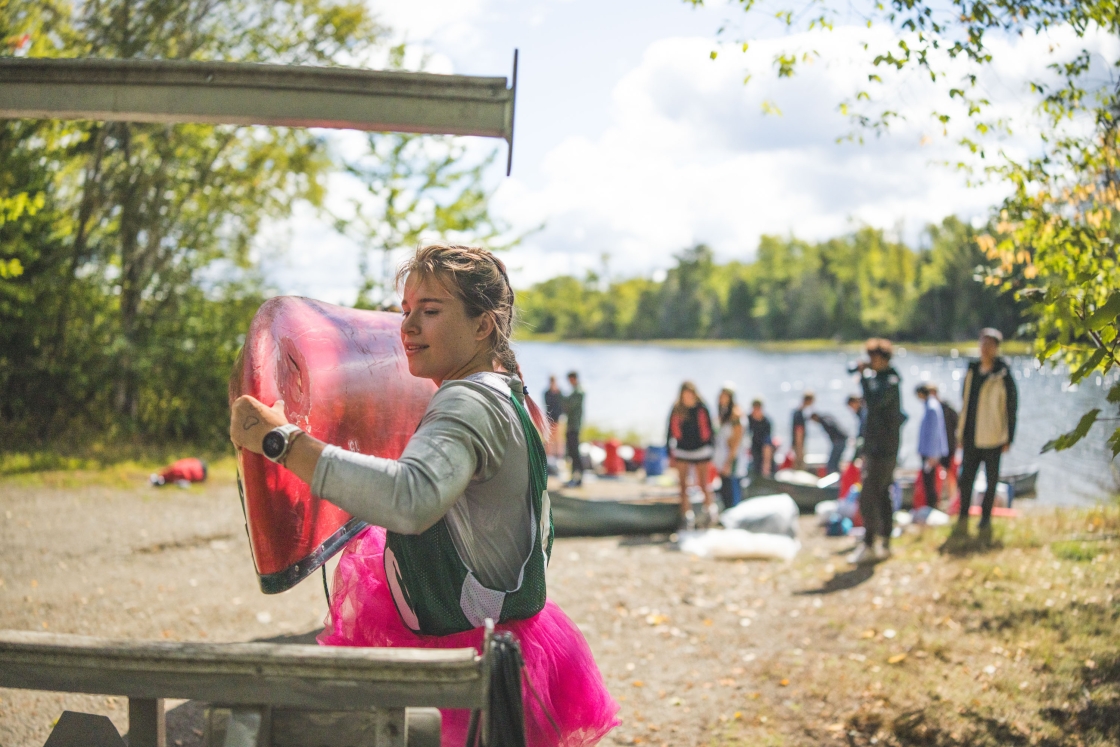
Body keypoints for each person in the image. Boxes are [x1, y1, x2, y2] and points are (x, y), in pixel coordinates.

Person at [229, 243, 618, 747]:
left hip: (464, 652)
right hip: (510, 635)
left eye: (430, 311)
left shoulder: (465, 401)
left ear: (483, 325)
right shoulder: (507, 390)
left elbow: (410, 500)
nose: (407, 327)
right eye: (406, 311)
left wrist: (281, 442)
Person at [955, 327, 1018, 543]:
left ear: (996, 348)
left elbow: (1011, 407)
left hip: (993, 437)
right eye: (983, 342)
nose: (985, 348)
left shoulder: (1003, 374)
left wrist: (1009, 437)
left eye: (990, 344)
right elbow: (964, 404)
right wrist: (960, 434)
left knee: (992, 481)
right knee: (966, 479)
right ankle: (963, 516)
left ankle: (985, 519)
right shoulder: (972, 370)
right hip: (971, 436)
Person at [849, 338, 905, 564]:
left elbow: (873, 403)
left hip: (884, 450)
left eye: (872, 358)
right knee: (882, 494)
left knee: (869, 495)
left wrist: (862, 377)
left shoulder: (890, 382)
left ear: (882, 358)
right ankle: (884, 542)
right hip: (875, 448)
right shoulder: (880, 380)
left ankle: (871, 542)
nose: (869, 362)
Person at [667, 381, 717, 529]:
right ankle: (686, 516)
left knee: (703, 484)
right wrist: (668, 452)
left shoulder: (702, 408)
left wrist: (711, 450)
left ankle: (709, 513)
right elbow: (669, 431)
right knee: (683, 485)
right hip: (682, 450)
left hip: (701, 450)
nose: (688, 396)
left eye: (690, 393)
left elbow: (710, 430)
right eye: (685, 394)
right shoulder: (676, 409)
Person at [915, 384, 949, 510]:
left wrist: (933, 455)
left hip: (930, 453)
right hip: (928, 451)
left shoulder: (932, 407)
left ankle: (932, 506)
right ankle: (931, 506)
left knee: (930, 482)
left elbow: (935, 433)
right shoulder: (931, 405)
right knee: (928, 481)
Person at [713, 383, 745, 510]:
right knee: (725, 488)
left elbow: (736, 443)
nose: (722, 399)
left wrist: (728, 463)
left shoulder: (736, 415)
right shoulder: (724, 414)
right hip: (723, 458)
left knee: (732, 489)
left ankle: (734, 514)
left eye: (725, 396)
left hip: (732, 460)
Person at [934, 385, 960, 508]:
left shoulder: (947, 407)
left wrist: (959, 441)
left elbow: (959, 424)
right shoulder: (934, 407)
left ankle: (953, 500)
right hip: (938, 448)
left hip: (949, 446)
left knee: (950, 474)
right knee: (939, 473)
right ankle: (942, 500)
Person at [810, 409, 849, 475]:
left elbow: (832, 428)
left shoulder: (823, 420)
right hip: (841, 439)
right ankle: (837, 476)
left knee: (832, 462)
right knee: (836, 461)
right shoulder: (826, 417)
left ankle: (832, 477)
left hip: (838, 441)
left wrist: (834, 438)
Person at [563, 371, 585, 487]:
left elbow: (568, 406)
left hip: (574, 427)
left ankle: (578, 478)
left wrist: (560, 396)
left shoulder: (579, 392)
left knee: (575, 453)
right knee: (572, 453)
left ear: (574, 379)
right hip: (571, 426)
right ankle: (574, 477)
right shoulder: (576, 391)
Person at [747, 398, 774, 478]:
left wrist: (766, 463)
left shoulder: (766, 422)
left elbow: (767, 442)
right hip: (752, 447)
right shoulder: (748, 419)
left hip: (762, 448)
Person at [543, 375, 565, 463]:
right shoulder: (546, 393)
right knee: (549, 439)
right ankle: (549, 457)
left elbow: (562, 406)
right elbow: (548, 405)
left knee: (559, 439)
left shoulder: (559, 393)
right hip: (549, 418)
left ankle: (559, 457)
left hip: (558, 419)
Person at [790, 393, 813, 470]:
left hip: (797, 444)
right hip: (799, 445)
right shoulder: (799, 414)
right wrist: (799, 448)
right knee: (799, 466)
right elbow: (798, 432)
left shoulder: (797, 412)